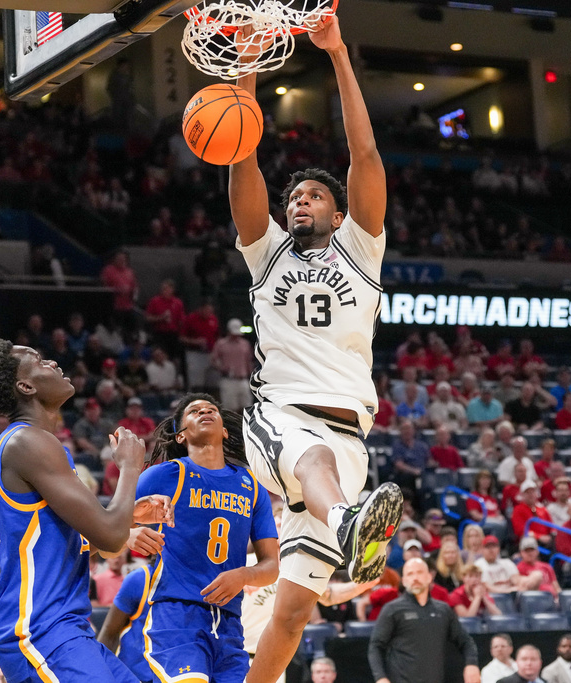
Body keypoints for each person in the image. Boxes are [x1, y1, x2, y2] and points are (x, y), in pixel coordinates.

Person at [231, 19, 403, 683]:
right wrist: (246, 70)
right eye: (293, 196)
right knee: (316, 459)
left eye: (313, 195)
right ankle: (350, 516)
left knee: (294, 608)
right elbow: (240, 158)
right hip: (281, 417)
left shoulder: (361, 249)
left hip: (351, 432)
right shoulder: (266, 251)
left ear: (337, 213)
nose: (299, 200)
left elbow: (366, 158)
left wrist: (336, 54)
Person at [0, 340, 172, 683]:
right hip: (38, 626)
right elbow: (109, 533)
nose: (53, 363)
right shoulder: (26, 441)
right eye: (38, 360)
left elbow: (100, 542)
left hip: (67, 625)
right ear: (25, 385)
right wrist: (129, 468)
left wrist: (130, 518)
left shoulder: (37, 444)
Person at [135, 394, 279, 683]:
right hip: (177, 613)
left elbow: (272, 566)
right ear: (180, 435)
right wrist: (129, 531)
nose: (204, 411)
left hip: (229, 622)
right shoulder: (165, 475)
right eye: (194, 411)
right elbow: (107, 521)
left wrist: (244, 575)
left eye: (211, 409)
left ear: (225, 430)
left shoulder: (251, 485)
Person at [369, 558, 480, 683]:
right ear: (404, 581)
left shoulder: (443, 610)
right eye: (410, 574)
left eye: (419, 572)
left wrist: (472, 664)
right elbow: (375, 646)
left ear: (429, 577)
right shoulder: (392, 609)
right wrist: (380, 678)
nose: (415, 578)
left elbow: (466, 642)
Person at [98, 562, 155, 682]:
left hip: (177, 670)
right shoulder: (139, 579)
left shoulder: (195, 580)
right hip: (134, 675)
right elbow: (109, 632)